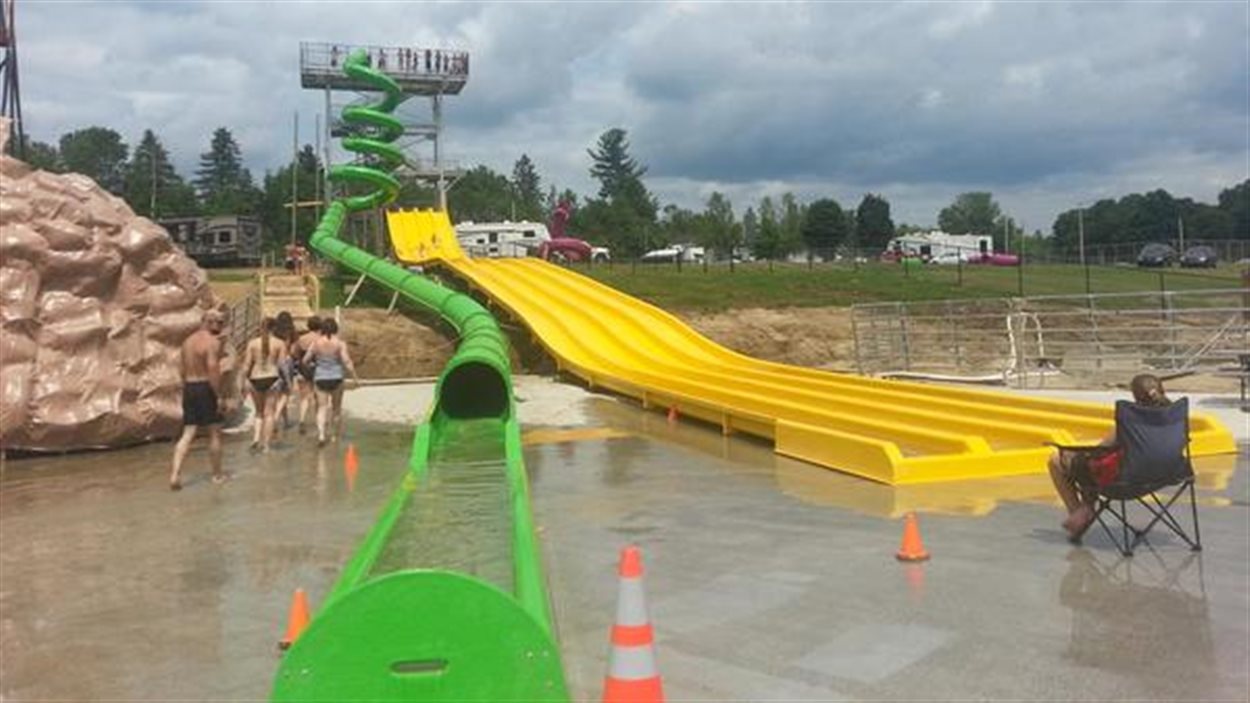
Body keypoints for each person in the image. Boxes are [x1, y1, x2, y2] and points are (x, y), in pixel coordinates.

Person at [1048, 374, 1173, 539]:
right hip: (1167, 475)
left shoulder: (1130, 420)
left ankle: (1079, 511)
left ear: (1135, 396)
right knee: (1093, 465)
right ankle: (1085, 508)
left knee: (1058, 460)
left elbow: (1101, 450)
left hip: (1128, 481)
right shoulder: (1175, 416)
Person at [169, 309, 229, 490]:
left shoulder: (187, 342)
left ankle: (175, 474)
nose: (221, 327)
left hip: (189, 386)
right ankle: (217, 475)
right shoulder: (212, 343)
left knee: (188, 433)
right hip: (206, 387)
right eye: (220, 323)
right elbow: (212, 369)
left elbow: (180, 369)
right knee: (214, 432)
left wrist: (186, 386)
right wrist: (219, 396)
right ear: (211, 322)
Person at [302, 318, 358, 447]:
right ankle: (334, 436)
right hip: (336, 377)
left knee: (322, 408)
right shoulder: (340, 343)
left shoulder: (316, 343)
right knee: (336, 408)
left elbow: (305, 360)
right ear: (335, 329)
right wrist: (355, 378)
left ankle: (321, 435)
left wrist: (312, 366)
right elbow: (347, 362)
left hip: (320, 377)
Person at [240, 317, 288, 452]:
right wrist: (288, 382)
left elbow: (246, 365)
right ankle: (266, 445)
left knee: (259, 412)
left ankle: (255, 439)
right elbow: (282, 365)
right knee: (269, 413)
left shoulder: (252, 343)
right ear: (274, 328)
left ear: (261, 327)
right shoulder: (279, 343)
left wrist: (242, 382)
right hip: (272, 378)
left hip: (255, 378)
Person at [291, 316, 321, 434]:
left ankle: (302, 420)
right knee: (318, 398)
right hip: (318, 369)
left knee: (304, 398)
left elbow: (294, 352)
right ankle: (319, 421)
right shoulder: (321, 339)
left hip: (303, 369)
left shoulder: (302, 339)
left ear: (309, 326)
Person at [271, 312, 299, 434]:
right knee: (286, 392)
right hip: (287, 361)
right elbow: (293, 352)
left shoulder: (274, 332)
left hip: (274, 362)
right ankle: (276, 418)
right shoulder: (291, 333)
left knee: (278, 394)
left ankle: (286, 421)